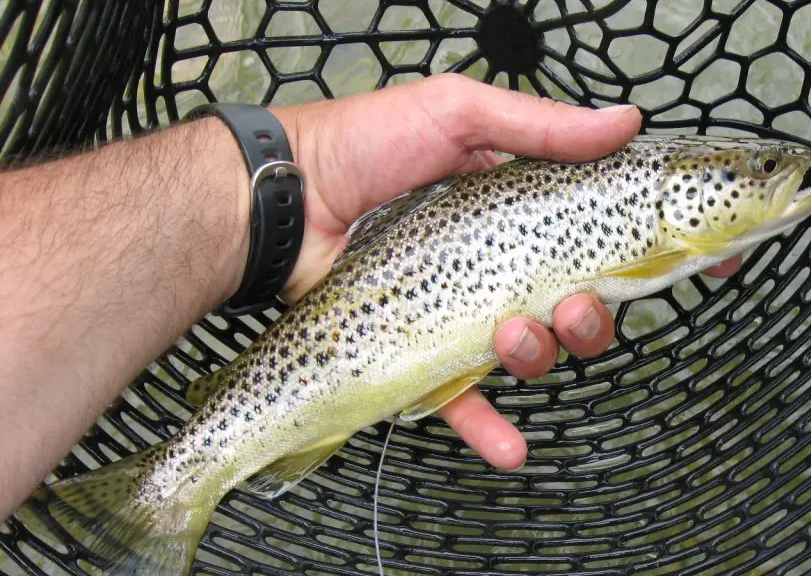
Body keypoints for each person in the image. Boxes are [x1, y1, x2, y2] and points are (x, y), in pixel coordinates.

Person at [0, 75, 740, 519]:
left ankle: (176, 482)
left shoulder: (670, 219)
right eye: (756, 169)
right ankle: (174, 487)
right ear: (690, 192)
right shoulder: (671, 238)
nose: (773, 175)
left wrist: (258, 196)